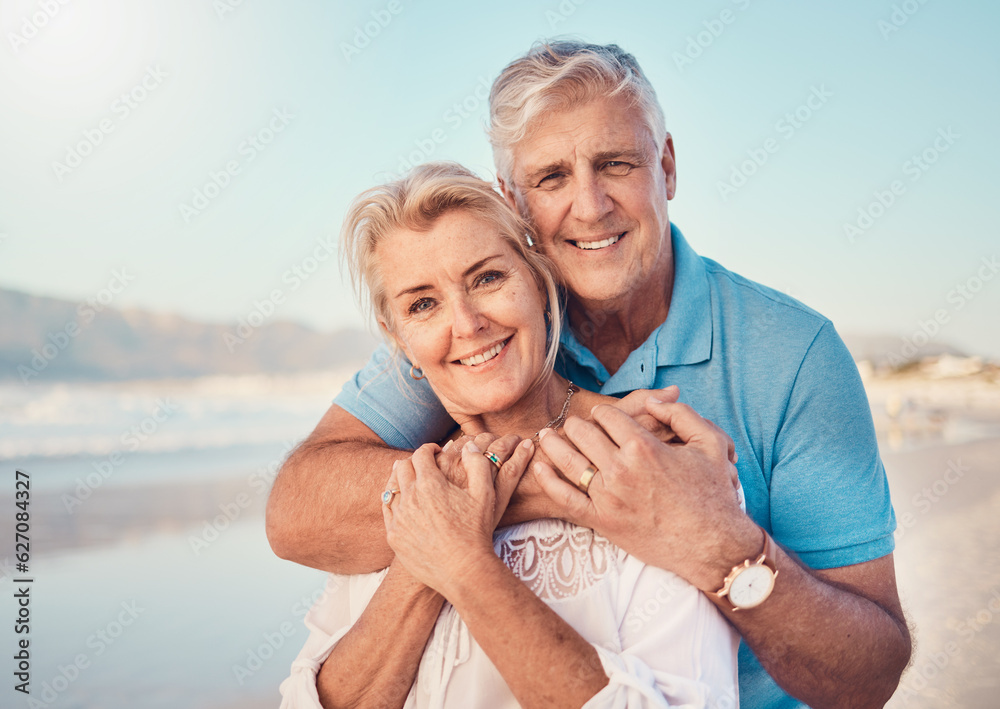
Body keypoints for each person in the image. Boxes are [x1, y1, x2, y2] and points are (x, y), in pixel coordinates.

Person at [267, 41, 911, 708]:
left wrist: (715, 543)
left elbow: (868, 678)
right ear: (511, 199)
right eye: (550, 178)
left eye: (616, 163)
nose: (591, 204)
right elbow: (297, 511)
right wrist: (555, 483)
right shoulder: (476, 335)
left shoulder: (791, 353)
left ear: (665, 166)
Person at [278, 162, 740, 708]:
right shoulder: (404, 486)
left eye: (487, 278)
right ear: (398, 339)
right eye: (423, 305)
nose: (467, 323)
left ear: (540, 283)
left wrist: (463, 565)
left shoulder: (652, 462)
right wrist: (430, 549)